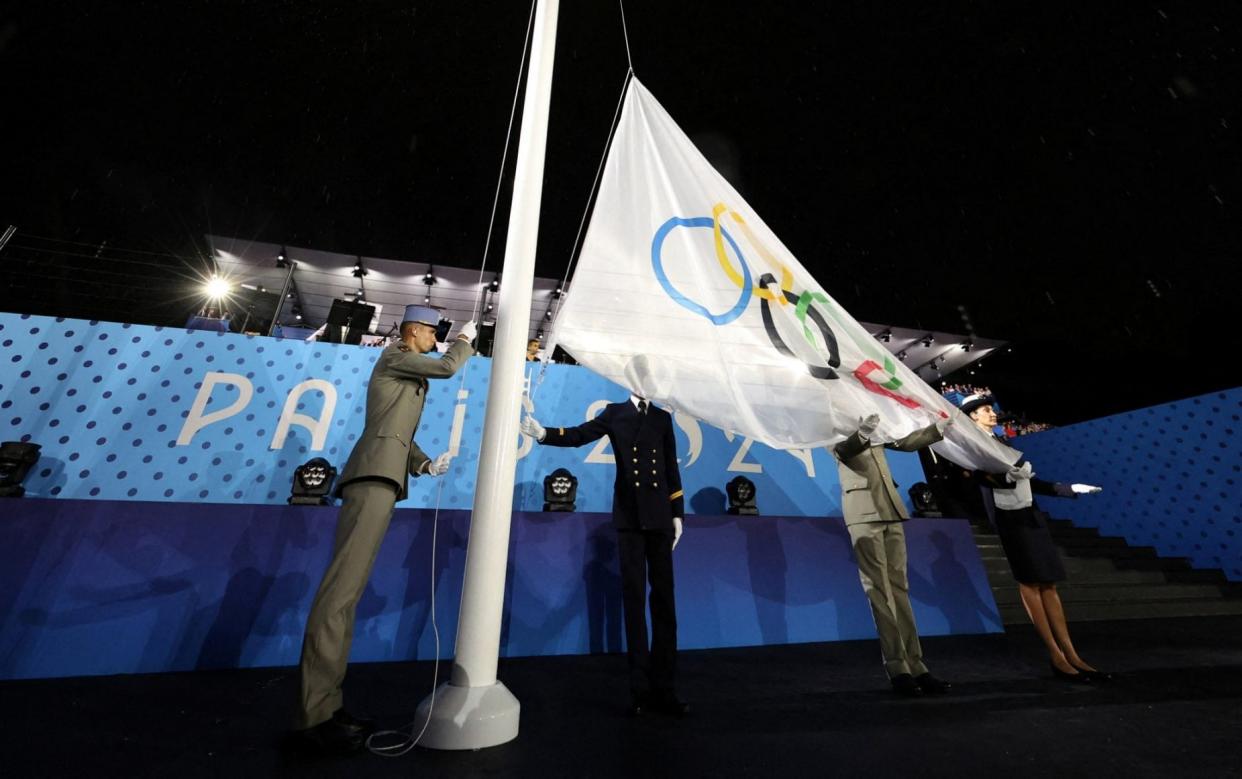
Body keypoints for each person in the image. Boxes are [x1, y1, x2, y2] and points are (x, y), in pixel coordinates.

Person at [294, 305, 476, 754]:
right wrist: (465, 342)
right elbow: (449, 368)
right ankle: (314, 715)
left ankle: (328, 707)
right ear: (413, 332)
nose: (437, 341)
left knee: (347, 597)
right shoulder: (395, 355)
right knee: (339, 596)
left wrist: (424, 463)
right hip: (371, 479)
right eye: (434, 334)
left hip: (384, 479)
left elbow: (395, 432)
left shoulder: (404, 374)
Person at [520, 392, 689, 717]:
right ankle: (640, 689)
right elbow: (582, 434)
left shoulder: (662, 418)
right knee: (635, 603)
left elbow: (671, 467)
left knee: (665, 603)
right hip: (630, 517)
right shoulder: (615, 413)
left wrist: (677, 513)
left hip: (660, 519)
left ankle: (665, 687)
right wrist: (545, 434)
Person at [956, 393, 1108, 684]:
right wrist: (1006, 478)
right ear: (973, 416)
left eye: (991, 409)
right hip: (1009, 518)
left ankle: (1072, 653)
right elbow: (976, 477)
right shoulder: (972, 445)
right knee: (1030, 583)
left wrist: (1069, 488)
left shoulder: (1002, 442)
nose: (992, 413)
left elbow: (1028, 479)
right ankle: (1056, 655)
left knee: (1048, 582)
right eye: (986, 410)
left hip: (1029, 513)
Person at [833, 412, 953, 696]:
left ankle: (917, 665)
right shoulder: (832, 421)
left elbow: (903, 442)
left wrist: (935, 429)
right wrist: (862, 433)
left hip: (891, 508)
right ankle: (898, 668)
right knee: (879, 591)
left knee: (900, 589)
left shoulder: (873, 420)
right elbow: (842, 450)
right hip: (862, 512)